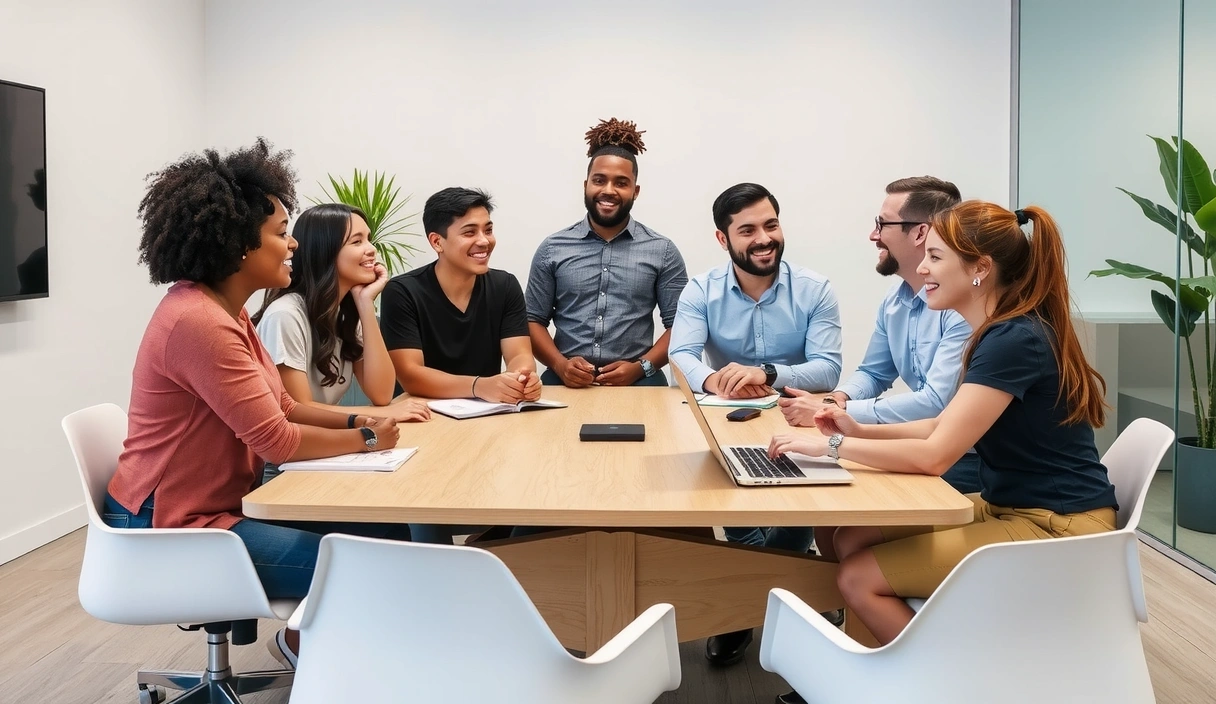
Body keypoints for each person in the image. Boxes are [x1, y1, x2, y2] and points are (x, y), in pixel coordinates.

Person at [766, 202, 1118, 704]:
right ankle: (902, 661)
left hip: (1058, 527)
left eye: (935, 257)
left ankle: (940, 687)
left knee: (857, 577)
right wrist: (855, 427)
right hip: (1015, 506)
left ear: (980, 269)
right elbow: (940, 425)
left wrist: (832, 446)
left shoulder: (1012, 339)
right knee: (851, 535)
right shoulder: (1001, 330)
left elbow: (936, 455)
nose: (923, 269)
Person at [103, 139, 411, 670]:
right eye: (281, 232)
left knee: (391, 534)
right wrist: (366, 438)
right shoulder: (199, 322)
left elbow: (285, 407)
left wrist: (360, 418)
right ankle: (313, 656)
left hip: (215, 508)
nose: (293, 244)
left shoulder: (231, 313)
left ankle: (334, 660)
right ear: (240, 244)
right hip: (172, 527)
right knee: (367, 566)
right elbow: (277, 441)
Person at [669, 182, 842, 667]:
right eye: (747, 230)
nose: (764, 238)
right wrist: (718, 380)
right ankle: (786, 592)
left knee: (796, 506)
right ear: (723, 239)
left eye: (771, 225)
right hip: (726, 416)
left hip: (796, 415)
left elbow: (828, 368)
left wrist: (767, 373)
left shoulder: (815, 289)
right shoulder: (701, 290)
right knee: (729, 492)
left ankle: (749, 601)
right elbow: (681, 355)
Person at [778, 176, 982, 494]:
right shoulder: (894, 300)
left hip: (968, 459)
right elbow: (873, 373)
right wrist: (836, 400)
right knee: (825, 488)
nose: (874, 235)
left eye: (882, 224)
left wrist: (839, 412)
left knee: (845, 493)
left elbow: (935, 404)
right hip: (923, 441)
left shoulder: (962, 308)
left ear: (920, 233)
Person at [379, 186, 540, 544]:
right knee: (427, 509)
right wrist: (480, 386)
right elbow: (411, 375)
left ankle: (496, 551)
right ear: (437, 241)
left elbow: (519, 353)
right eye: (470, 232)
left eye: (488, 229)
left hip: (489, 422)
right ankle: (435, 563)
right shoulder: (403, 292)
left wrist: (523, 376)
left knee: (530, 487)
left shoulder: (504, 285)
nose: (484, 241)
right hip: (424, 425)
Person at [253, 203, 430, 480]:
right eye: (357, 241)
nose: (371, 249)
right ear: (325, 251)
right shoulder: (285, 315)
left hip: (330, 453)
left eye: (368, 239)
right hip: (287, 466)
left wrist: (365, 304)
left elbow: (381, 393)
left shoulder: (344, 314)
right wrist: (379, 416)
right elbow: (297, 409)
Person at [526, 118, 688, 387]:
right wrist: (560, 365)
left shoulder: (663, 251)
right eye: (599, 180)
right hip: (564, 378)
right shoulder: (552, 248)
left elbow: (681, 324)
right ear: (586, 185)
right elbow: (532, 320)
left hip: (640, 380)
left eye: (621, 183)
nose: (608, 190)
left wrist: (641, 367)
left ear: (635, 191)